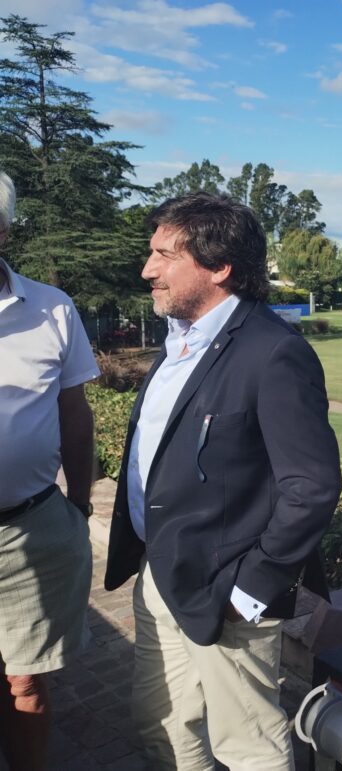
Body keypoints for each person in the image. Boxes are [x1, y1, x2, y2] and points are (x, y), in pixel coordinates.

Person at [103, 192, 341, 770]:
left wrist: (248, 591)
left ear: (219, 267)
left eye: (165, 255)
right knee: (162, 724)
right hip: (161, 573)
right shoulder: (179, 341)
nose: (148, 270)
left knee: (248, 746)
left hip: (227, 590)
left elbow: (311, 487)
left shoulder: (273, 352)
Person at [0, 171, 98, 770]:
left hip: (31, 531)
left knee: (27, 682)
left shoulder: (52, 308)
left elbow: (75, 415)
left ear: (4, 231)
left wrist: (79, 504)